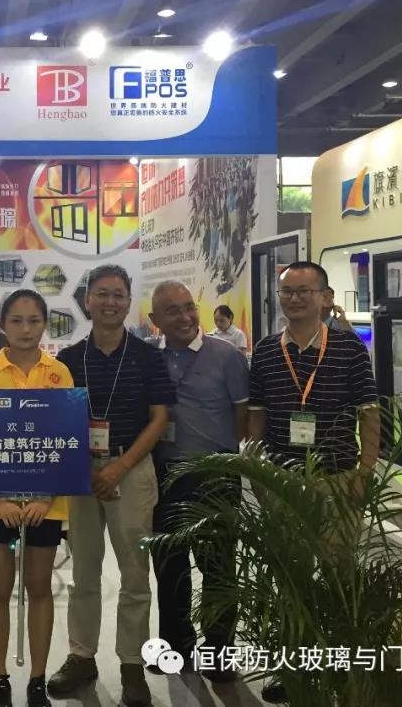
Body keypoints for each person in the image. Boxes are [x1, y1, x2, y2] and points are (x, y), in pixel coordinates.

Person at [247, 261, 380, 703]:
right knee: (289, 576)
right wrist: (259, 473)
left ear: (324, 296)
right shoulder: (266, 350)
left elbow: (369, 413)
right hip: (282, 480)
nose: (295, 298)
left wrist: (365, 472)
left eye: (304, 290)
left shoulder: (349, 348)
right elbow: (257, 415)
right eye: (287, 291)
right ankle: (292, 667)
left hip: (338, 478)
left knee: (340, 576)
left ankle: (341, 665)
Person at [47, 265, 174, 707]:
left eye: (118, 294)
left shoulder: (147, 357)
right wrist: (83, 465)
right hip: (80, 473)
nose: (110, 302)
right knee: (83, 572)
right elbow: (58, 419)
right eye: (101, 294)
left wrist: (120, 466)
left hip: (131, 470)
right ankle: (82, 657)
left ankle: (132, 666)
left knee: (135, 575)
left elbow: (159, 418)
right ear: (87, 300)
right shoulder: (67, 360)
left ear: (128, 301)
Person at [0, 290, 73, 707]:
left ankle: (37, 679)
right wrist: (0, 500)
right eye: (16, 321)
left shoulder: (59, 373)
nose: (26, 329)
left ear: (45, 324)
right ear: (2, 325)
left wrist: (46, 497)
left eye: (34, 321)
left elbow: (66, 440)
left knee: (39, 587)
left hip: (47, 502)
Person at [148, 282, 248, 683]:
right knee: (169, 565)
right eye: (173, 311)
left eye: (189, 307)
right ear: (155, 320)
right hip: (163, 475)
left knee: (218, 565)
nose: (185, 317)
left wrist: (218, 450)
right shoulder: (149, 358)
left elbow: (242, 417)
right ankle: (175, 645)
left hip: (215, 476)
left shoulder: (226, 356)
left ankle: (219, 651)